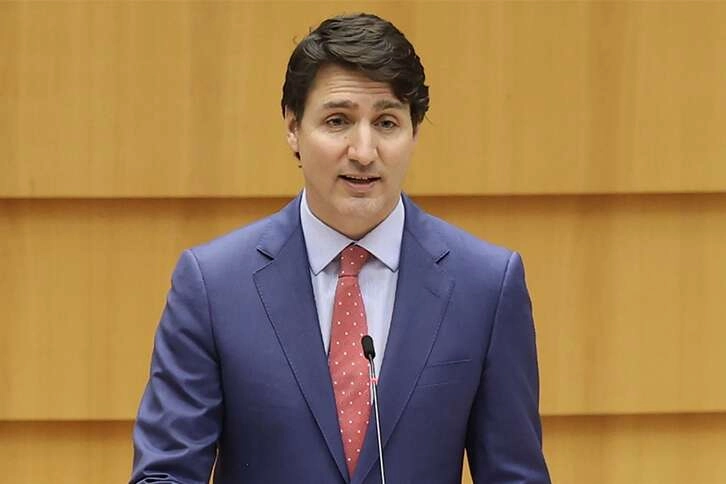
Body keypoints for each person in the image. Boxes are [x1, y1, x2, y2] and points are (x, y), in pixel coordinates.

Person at [131, 12, 550, 484]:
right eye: (338, 121)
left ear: (414, 133)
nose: (364, 152)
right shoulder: (213, 286)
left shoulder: (486, 286)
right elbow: (164, 474)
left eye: (387, 122)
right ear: (293, 128)